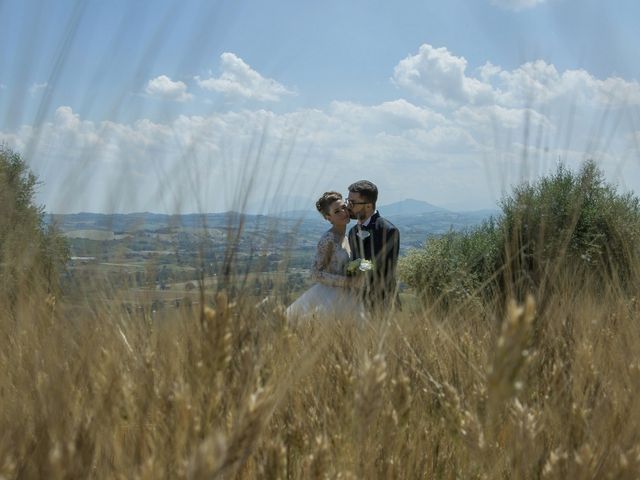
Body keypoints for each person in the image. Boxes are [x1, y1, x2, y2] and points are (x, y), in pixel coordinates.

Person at [286, 192, 365, 321]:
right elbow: (315, 273)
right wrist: (347, 282)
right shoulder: (328, 239)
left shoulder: (347, 238)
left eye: (344, 207)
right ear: (329, 217)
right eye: (337, 211)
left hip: (349, 296)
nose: (344, 212)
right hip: (329, 297)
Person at [346, 180, 400, 313]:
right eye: (348, 200)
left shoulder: (388, 230)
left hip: (382, 302)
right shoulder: (353, 231)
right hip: (355, 301)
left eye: (353, 203)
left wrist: (354, 265)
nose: (348, 206)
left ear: (369, 206)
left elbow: (379, 266)